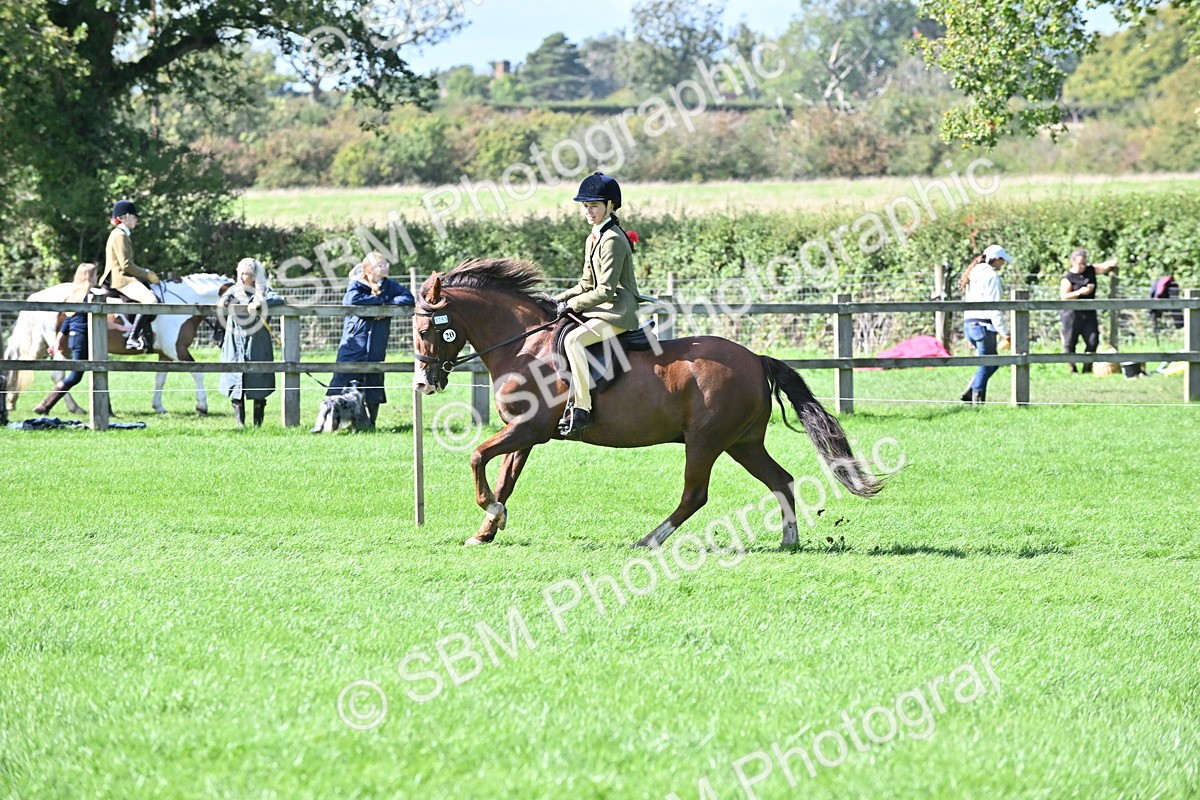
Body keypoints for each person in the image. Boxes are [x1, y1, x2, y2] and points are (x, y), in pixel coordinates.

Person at [552, 172, 644, 438]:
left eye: (594, 205)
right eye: (585, 206)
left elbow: (604, 290)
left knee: (573, 341)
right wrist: (556, 300)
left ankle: (582, 408)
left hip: (619, 312)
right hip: (602, 308)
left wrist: (572, 305)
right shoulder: (593, 237)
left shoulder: (613, 239)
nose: (588, 211)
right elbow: (584, 284)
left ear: (610, 206)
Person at [327, 251, 415, 427]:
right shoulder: (357, 284)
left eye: (386, 264)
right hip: (354, 342)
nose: (385, 267)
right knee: (342, 379)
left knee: (373, 382)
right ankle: (331, 422)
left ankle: (370, 424)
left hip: (376, 343)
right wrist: (380, 303)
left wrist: (385, 306)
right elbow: (351, 299)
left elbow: (408, 297)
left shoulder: (389, 285)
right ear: (368, 270)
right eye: (381, 265)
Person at [33, 263, 111, 415]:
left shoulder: (75, 297)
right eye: (95, 275)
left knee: (100, 371)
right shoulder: (89, 298)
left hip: (78, 339)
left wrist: (57, 342)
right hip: (82, 340)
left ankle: (107, 411)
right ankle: (45, 405)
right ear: (89, 277)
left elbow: (67, 323)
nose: (97, 277)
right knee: (75, 377)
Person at [218, 258, 286, 427]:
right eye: (239, 273)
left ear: (254, 276)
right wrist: (224, 302)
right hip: (234, 343)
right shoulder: (233, 291)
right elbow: (222, 300)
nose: (241, 277)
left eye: (245, 274)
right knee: (236, 382)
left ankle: (258, 426)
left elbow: (278, 298)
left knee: (258, 382)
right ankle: (240, 425)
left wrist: (259, 303)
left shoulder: (263, 291)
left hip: (257, 344)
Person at [100, 199, 160, 351]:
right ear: (123, 217)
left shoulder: (121, 234)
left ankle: (146, 339)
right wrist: (147, 274)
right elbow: (126, 264)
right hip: (121, 279)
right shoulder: (119, 235)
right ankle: (133, 338)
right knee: (151, 300)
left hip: (123, 276)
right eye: (133, 217)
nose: (136, 220)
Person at [958, 244, 1012, 404]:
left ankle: (971, 391)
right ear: (995, 259)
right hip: (983, 325)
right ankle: (976, 397)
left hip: (970, 323)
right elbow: (994, 306)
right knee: (989, 362)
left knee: (990, 361)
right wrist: (1004, 331)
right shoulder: (991, 276)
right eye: (1002, 260)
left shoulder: (973, 273)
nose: (1003, 264)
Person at [1060, 248, 1117, 373]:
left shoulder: (1090, 270)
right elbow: (1064, 296)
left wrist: (1113, 263)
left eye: (1084, 263)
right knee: (1070, 342)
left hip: (1089, 312)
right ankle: (1072, 368)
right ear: (1072, 262)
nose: (1083, 266)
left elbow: (1103, 267)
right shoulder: (1068, 278)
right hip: (1072, 313)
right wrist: (1080, 292)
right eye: (1080, 263)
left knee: (1093, 340)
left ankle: (1087, 367)